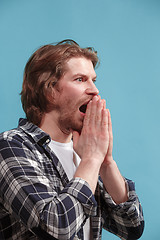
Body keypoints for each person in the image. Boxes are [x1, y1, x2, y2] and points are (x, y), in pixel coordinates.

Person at [0, 39, 144, 240]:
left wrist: (106, 162)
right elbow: (56, 228)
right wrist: (92, 160)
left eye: (94, 80)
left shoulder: (83, 151)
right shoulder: (12, 145)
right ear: (49, 90)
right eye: (80, 79)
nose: (94, 90)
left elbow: (132, 227)